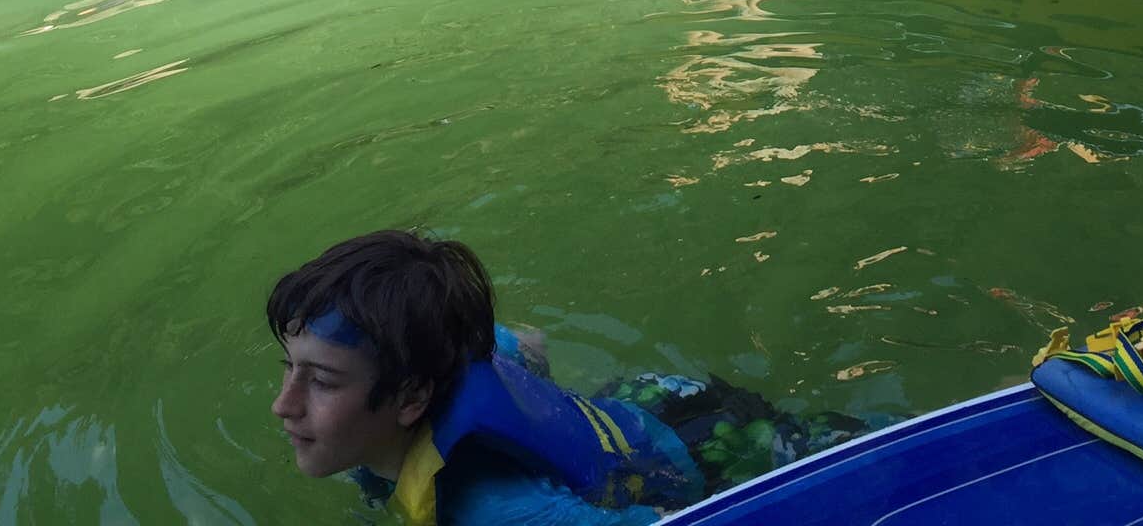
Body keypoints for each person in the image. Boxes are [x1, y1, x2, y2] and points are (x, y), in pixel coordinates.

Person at [267, 230, 869, 525]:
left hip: (706, 448)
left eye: (321, 382)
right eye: (289, 368)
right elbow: (526, 343)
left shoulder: (500, 512)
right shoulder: (449, 347)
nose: (283, 405)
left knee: (862, 458)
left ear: (413, 395)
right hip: (639, 402)